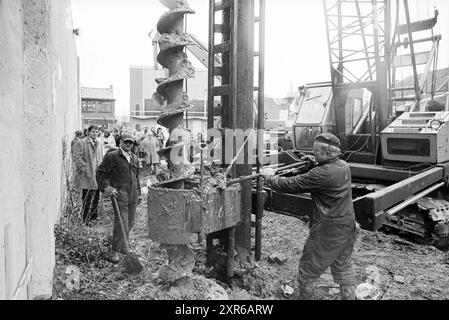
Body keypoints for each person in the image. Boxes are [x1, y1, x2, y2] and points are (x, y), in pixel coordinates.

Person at [261, 133, 358, 300]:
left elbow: (292, 184)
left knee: (307, 272)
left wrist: (269, 177)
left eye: (316, 152)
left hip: (327, 231)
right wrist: (314, 162)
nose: (313, 154)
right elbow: (324, 171)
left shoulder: (321, 174)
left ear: (329, 153)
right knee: (343, 268)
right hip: (348, 226)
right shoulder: (343, 166)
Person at [96, 132, 142, 263]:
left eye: (131, 142)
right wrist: (106, 188)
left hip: (132, 195)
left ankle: (124, 247)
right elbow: (100, 173)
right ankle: (115, 251)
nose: (128, 144)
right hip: (120, 195)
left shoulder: (134, 158)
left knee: (130, 222)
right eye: (126, 142)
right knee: (121, 222)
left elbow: (137, 177)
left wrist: (139, 193)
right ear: (120, 142)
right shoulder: (112, 156)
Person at [73, 125, 104, 224]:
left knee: (96, 196)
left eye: (96, 131)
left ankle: (94, 216)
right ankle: (86, 219)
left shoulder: (99, 143)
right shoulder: (82, 143)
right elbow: (77, 158)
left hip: (97, 173)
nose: (95, 133)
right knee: (87, 197)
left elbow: (101, 156)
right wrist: (85, 168)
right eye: (93, 131)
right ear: (88, 132)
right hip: (87, 174)